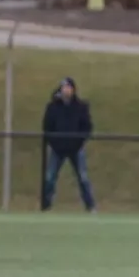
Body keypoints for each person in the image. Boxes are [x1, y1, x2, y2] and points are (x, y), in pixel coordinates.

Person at [41, 77, 96, 212]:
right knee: (49, 177)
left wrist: (78, 142)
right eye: (64, 87)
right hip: (57, 149)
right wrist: (54, 142)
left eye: (68, 87)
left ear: (73, 89)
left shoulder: (81, 107)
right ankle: (46, 206)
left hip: (76, 149)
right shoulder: (53, 107)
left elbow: (87, 127)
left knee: (83, 177)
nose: (66, 90)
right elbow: (47, 126)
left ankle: (90, 206)